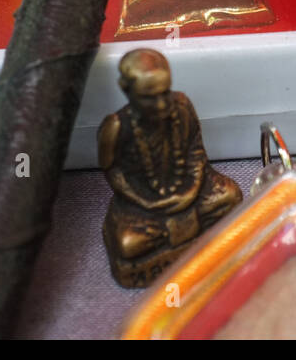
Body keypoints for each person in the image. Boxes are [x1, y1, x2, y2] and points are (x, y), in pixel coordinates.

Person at [98, 48, 242, 287]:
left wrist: (192, 189)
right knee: (128, 244)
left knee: (231, 196)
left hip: (190, 191)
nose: (162, 104)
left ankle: (186, 226)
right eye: (149, 97)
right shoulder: (116, 126)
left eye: (165, 93)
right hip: (142, 206)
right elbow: (115, 174)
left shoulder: (182, 106)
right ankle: (175, 233)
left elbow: (196, 152)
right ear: (127, 90)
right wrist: (148, 204)